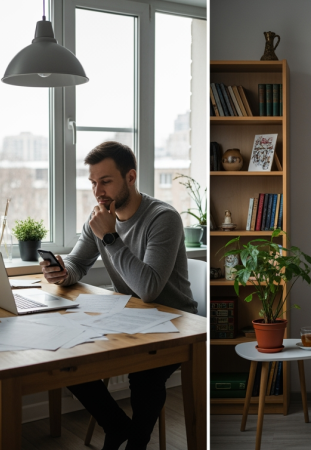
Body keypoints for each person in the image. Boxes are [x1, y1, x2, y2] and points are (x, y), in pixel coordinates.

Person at [40, 141, 196, 450]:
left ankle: (135, 443)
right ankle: (116, 425)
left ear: (130, 177)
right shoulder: (99, 218)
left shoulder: (163, 218)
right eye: (93, 182)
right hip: (129, 315)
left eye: (106, 181)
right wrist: (63, 272)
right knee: (65, 354)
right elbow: (78, 262)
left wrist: (110, 237)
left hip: (175, 321)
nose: (98, 191)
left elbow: (149, 289)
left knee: (145, 374)